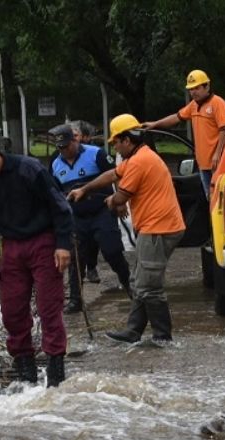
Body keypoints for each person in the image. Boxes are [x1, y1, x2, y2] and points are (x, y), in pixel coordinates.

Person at [0, 135, 73, 387]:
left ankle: (56, 368)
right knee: (11, 309)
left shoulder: (28, 169)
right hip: (11, 246)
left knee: (48, 306)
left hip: (44, 241)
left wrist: (63, 244)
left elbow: (58, 205)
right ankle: (25, 368)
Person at [67, 114, 185, 343]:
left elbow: (120, 197)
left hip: (158, 229)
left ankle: (163, 337)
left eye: (116, 143)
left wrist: (111, 201)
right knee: (140, 282)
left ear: (127, 140)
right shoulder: (138, 156)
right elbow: (113, 174)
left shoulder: (140, 162)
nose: (115, 148)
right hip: (156, 227)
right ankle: (133, 330)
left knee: (150, 286)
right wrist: (86, 189)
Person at [51, 124, 132, 314]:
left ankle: (129, 285)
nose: (64, 151)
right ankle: (76, 300)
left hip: (101, 210)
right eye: (60, 148)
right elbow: (54, 191)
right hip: (76, 217)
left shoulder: (96, 154)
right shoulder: (55, 164)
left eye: (67, 146)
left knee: (112, 250)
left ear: (75, 140)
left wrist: (121, 201)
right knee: (75, 258)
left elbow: (117, 175)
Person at [142, 69, 225, 199]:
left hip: (217, 164)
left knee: (219, 202)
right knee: (210, 201)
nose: (193, 92)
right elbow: (176, 117)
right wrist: (155, 124)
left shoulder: (218, 103)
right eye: (191, 89)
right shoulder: (193, 105)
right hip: (203, 164)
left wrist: (218, 153)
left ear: (207, 86)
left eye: (196, 88)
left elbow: (224, 128)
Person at [69, 121, 101, 284]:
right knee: (77, 245)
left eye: (76, 135)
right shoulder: (59, 157)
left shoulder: (95, 153)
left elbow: (111, 175)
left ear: (84, 137)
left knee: (95, 239)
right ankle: (76, 284)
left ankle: (92, 267)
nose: (72, 139)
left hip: (95, 207)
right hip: (74, 211)